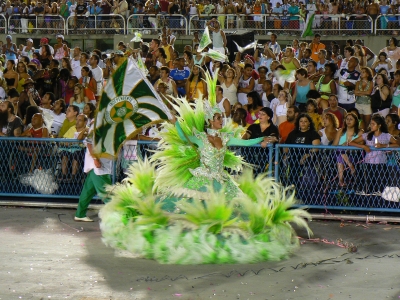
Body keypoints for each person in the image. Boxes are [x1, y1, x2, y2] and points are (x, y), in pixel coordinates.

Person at [349, 114, 399, 193]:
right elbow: (351, 143)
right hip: (369, 164)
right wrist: (363, 146)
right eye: (370, 123)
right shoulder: (367, 135)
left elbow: (397, 144)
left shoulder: (386, 136)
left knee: (381, 187)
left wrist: (384, 145)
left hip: (381, 164)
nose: (371, 126)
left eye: (373, 124)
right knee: (369, 187)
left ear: (379, 125)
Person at [75, 122, 113, 222]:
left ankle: (80, 214)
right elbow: (89, 142)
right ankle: (119, 215)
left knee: (88, 191)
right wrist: (95, 159)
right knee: (106, 191)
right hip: (98, 164)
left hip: (100, 162)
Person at [333, 112, 362, 187]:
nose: (348, 121)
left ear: (355, 121)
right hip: (339, 153)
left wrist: (350, 146)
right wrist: (343, 145)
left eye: (351, 119)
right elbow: (334, 146)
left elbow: (361, 145)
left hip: (354, 154)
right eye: (347, 119)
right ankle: (351, 167)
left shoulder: (360, 132)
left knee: (340, 155)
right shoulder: (340, 131)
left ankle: (341, 181)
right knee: (340, 151)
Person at [354, 67, 374, 131]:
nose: (361, 73)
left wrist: (359, 92)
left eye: (363, 72)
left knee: (367, 122)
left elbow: (369, 92)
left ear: (367, 74)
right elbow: (355, 93)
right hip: (358, 104)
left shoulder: (371, 82)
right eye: (361, 72)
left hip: (367, 104)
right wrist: (365, 93)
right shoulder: (358, 82)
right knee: (360, 121)